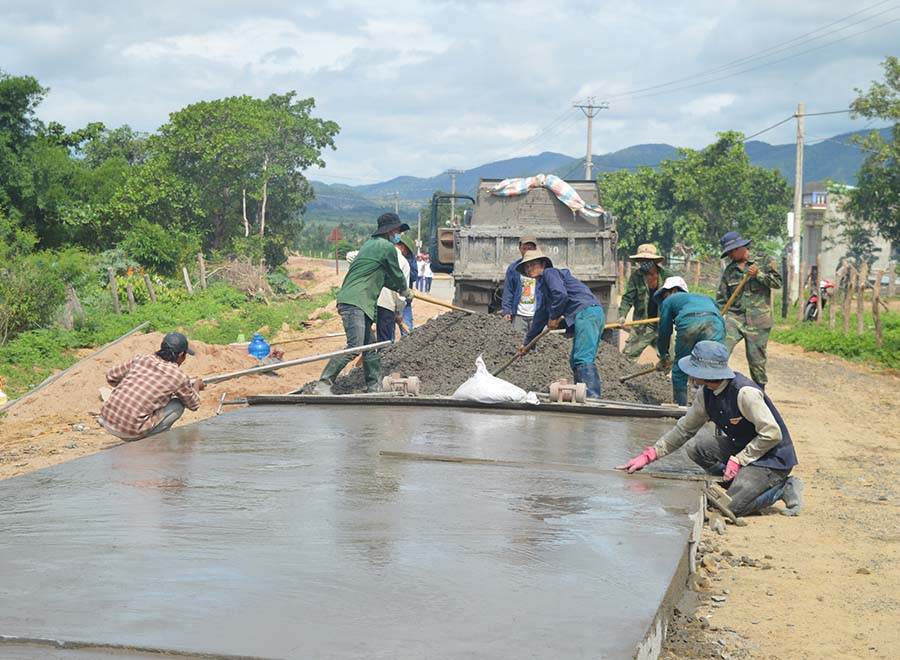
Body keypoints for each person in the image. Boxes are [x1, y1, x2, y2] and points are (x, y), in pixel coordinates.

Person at [617, 341, 802, 517]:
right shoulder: (705, 394)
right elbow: (684, 430)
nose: (689, 374)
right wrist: (649, 455)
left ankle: (782, 488)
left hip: (770, 459)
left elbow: (772, 434)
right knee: (697, 447)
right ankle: (734, 483)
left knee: (729, 507)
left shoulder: (745, 393)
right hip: (741, 448)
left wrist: (739, 460)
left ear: (704, 373)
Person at [314, 212, 413, 394]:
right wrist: (405, 289)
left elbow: (384, 279)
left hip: (359, 303)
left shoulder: (370, 246)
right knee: (356, 347)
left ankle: (373, 387)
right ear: (390, 231)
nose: (399, 235)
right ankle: (323, 384)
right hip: (355, 302)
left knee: (371, 348)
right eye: (398, 230)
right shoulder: (386, 248)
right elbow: (397, 274)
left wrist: (400, 289)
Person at [517, 250, 605, 397]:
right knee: (577, 358)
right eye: (526, 267)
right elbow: (540, 316)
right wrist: (527, 343)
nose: (529, 269)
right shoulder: (545, 288)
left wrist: (554, 316)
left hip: (587, 313)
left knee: (582, 357)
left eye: (533, 264)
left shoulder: (550, 273)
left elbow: (561, 294)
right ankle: (583, 395)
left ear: (543, 264)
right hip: (588, 314)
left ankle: (592, 397)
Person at [97, 332, 205, 440]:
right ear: (181, 354)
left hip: (107, 419)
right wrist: (196, 386)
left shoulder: (142, 359)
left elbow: (111, 376)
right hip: (130, 431)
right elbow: (193, 405)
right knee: (178, 404)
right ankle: (153, 440)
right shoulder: (178, 376)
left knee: (158, 397)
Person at [716, 231, 782, 389]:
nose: (730, 255)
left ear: (740, 247)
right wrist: (717, 317)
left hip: (759, 320)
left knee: (756, 361)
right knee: (720, 350)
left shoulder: (764, 261)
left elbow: (778, 283)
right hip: (735, 318)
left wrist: (758, 274)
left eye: (731, 251)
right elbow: (721, 298)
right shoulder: (730, 271)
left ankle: (760, 393)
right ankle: (716, 387)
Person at [654, 276, 725, 405]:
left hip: (689, 324)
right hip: (716, 325)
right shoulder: (706, 298)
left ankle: (681, 408)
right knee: (714, 366)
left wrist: (663, 355)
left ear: (673, 290)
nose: (664, 298)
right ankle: (716, 407)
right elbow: (719, 318)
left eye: (665, 295)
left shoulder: (669, 301)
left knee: (680, 368)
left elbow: (664, 330)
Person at [618, 243, 669, 360]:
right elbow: (627, 298)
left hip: (663, 323)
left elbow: (677, 297)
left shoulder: (667, 276)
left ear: (654, 261)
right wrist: (622, 315)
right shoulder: (636, 277)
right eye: (641, 260)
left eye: (647, 260)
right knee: (627, 358)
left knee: (670, 359)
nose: (644, 263)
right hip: (643, 324)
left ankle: (661, 377)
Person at [374, 234, 415, 343]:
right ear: (403, 248)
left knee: (379, 338)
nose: (406, 255)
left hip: (373, 302)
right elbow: (402, 293)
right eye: (407, 253)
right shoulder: (403, 262)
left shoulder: (379, 254)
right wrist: (399, 314)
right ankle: (382, 358)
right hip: (387, 305)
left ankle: (375, 356)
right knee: (385, 342)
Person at [501, 235, 541, 335]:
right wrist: (506, 310)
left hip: (537, 315)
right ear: (519, 249)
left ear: (535, 249)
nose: (527, 251)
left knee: (539, 345)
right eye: (524, 248)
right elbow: (509, 290)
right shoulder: (513, 268)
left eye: (530, 248)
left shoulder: (541, 268)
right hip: (519, 315)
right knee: (518, 342)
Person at [401, 243, 418, 336]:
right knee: (387, 336)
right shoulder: (390, 256)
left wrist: (405, 266)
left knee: (407, 332)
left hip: (405, 300)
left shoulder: (410, 259)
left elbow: (414, 275)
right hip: (390, 301)